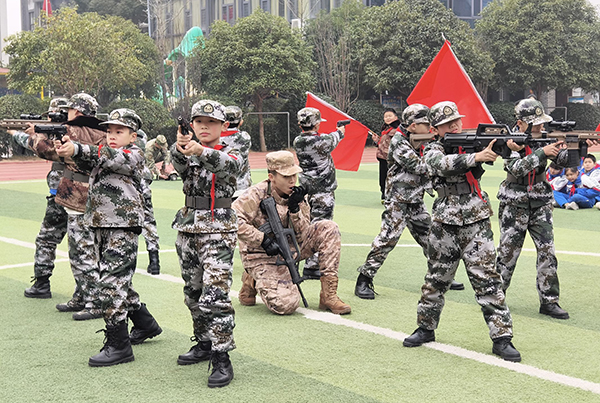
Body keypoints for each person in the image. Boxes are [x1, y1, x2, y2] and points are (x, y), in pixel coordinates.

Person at [403, 101, 521, 363]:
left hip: (476, 221)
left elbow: (503, 153)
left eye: (456, 120)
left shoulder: (474, 142)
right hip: (444, 223)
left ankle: (502, 337)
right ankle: (425, 328)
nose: (455, 125)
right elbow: (439, 163)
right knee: (436, 279)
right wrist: (476, 158)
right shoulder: (432, 148)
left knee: (487, 279)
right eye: (447, 124)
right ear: (435, 129)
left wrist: (512, 148)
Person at [56, 108, 162, 367]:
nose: (112, 135)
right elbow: (88, 160)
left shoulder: (134, 155)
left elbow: (107, 156)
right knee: (116, 279)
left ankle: (119, 345)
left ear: (133, 135)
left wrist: (78, 149)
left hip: (123, 227)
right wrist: (66, 149)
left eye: (119, 131)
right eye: (109, 131)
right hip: (103, 225)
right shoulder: (106, 155)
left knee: (111, 284)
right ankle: (145, 323)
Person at [355, 104, 463, 300]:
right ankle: (364, 279)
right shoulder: (399, 142)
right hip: (398, 201)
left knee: (431, 239)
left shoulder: (416, 138)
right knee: (387, 240)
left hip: (415, 200)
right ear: (413, 126)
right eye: (426, 125)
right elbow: (420, 166)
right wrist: (442, 156)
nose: (430, 128)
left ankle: (440, 276)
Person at [170, 100, 240, 388]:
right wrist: (181, 146)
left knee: (216, 296)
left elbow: (230, 167)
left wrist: (199, 150)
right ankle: (204, 342)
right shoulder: (187, 149)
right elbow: (177, 166)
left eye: (211, 122)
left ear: (224, 125)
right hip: (188, 227)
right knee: (193, 293)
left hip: (218, 229)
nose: (204, 127)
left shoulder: (233, 149)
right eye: (199, 122)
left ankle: (222, 356)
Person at [233, 150, 351, 316]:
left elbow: (303, 234)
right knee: (286, 305)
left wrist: (295, 209)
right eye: (286, 176)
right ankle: (251, 278)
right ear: (272, 177)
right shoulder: (254, 195)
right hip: (261, 254)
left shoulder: (297, 195)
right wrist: (261, 239)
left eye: (294, 175)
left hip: (290, 248)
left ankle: (328, 295)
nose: (292, 180)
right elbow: (232, 219)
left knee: (329, 228)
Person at [19, 93, 105, 321]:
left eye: (70, 110)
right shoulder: (99, 131)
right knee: (86, 249)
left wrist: (34, 135)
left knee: (81, 252)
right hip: (90, 197)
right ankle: (82, 295)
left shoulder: (73, 131)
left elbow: (46, 149)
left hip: (78, 197)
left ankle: (94, 301)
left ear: (77, 111)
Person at [495, 98, 569, 320]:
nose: (540, 126)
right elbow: (516, 168)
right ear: (520, 123)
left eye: (541, 123)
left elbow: (561, 163)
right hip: (514, 202)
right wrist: (542, 152)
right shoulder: (509, 141)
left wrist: (570, 150)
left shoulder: (544, 139)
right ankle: (495, 299)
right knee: (507, 254)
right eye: (535, 123)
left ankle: (549, 301)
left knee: (548, 251)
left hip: (540, 202)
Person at [9, 97, 69, 300]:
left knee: (47, 239)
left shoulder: (66, 134)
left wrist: (17, 133)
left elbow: (39, 147)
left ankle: (42, 284)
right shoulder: (82, 132)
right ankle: (87, 292)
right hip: (78, 196)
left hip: (62, 197)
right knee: (84, 243)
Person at [292, 107, 345, 280]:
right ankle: (312, 265)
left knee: (309, 225)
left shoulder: (298, 140)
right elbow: (336, 137)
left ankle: (305, 262)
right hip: (323, 190)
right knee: (321, 226)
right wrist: (340, 130)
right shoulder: (322, 140)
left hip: (306, 190)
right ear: (316, 125)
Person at [135, 129, 161, 275]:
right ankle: (154, 261)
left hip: (126, 190)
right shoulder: (142, 140)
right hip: (144, 188)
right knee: (149, 224)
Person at [221, 105, 252, 198]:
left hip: (221, 190)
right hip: (242, 189)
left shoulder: (213, 138)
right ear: (241, 122)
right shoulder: (244, 137)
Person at [370, 108, 400, 202]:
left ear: (395, 117)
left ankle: (392, 196)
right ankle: (384, 194)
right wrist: (376, 141)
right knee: (383, 179)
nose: (388, 118)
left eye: (390, 116)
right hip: (383, 158)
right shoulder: (385, 130)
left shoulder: (398, 130)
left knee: (393, 178)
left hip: (393, 159)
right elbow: (383, 144)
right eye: (386, 116)